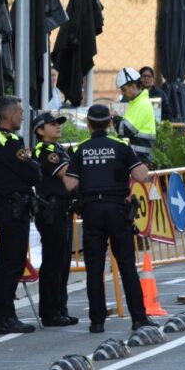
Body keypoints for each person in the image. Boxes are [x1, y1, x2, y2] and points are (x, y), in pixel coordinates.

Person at [62, 104, 157, 333]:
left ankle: (97, 322)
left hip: (92, 211)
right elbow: (141, 175)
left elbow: (69, 183)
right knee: (126, 265)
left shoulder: (81, 149)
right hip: (117, 211)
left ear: (88, 124)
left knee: (94, 268)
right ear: (108, 123)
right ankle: (138, 318)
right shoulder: (121, 147)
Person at [0, 95, 41, 334]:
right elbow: (33, 173)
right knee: (11, 263)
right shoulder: (9, 141)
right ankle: (3, 316)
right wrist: (32, 167)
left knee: (9, 262)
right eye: (19, 112)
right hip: (13, 208)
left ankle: (0, 315)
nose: (22, 116)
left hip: (7, 207)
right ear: (8, 116)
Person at [31, 112, 78, 327]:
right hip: (51, 211)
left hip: (63, 209)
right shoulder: (44, 150)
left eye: (58, 123)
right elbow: (67, 173)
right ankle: (50, 312)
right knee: (53, 262)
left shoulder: (58, 149)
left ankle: (61, 308)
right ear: (40, 130)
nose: (57, 127)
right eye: (52, 124)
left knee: (63, 262)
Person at [112, 67, 157, 166]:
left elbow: (125, 130)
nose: (122, 93)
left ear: (133, 86)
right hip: (136, 159)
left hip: (138, 162)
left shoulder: (141, 105)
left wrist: (115, 118)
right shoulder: (135, 103)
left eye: (124, 89)